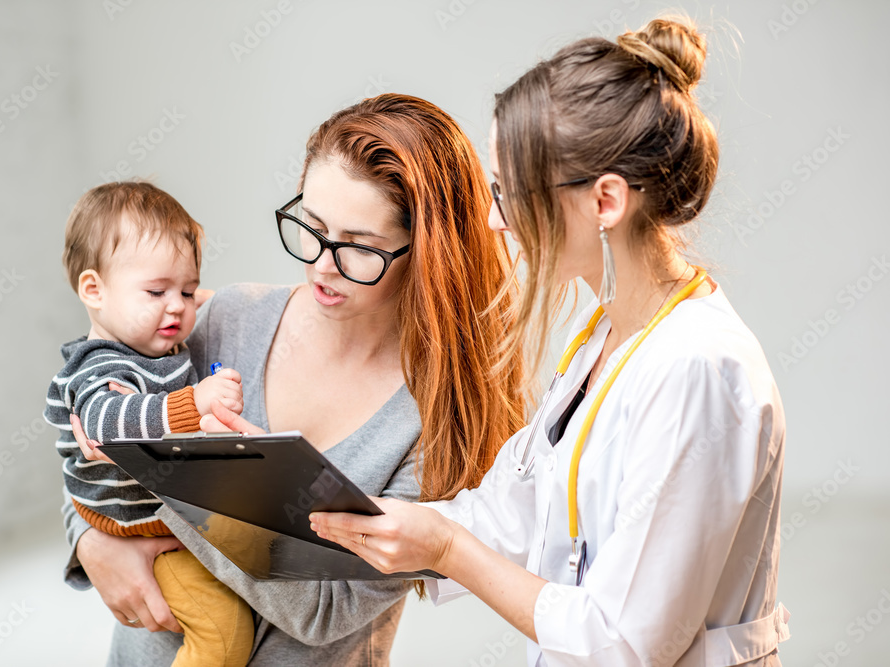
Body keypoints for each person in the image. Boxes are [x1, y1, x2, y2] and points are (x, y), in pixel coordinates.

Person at [311, 16, 791, 666]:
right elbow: (511, 511)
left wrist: (446, 550)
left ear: (606, 201)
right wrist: (343, 513)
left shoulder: (699, 369)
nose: (492, 219)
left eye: (509, 193)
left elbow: (623, 641)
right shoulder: (602, 338)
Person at [63, 94, 526, 666]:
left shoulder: (440, 421)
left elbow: (326, 612)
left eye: (359, 246)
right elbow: (89, 413)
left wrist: (181, 466)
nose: (321, 265)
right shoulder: (227, 316)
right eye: (311, 227)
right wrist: (89, 541)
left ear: (426, 250)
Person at [46, 181, 253, 667]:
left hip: (161, 515)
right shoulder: (99, 365)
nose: (178, 305)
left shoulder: (156, 346)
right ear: (93, 290)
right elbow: (108, 426)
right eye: (157, 291)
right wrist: (194, 403)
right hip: (135, 530)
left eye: (187, 289)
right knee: (224, 628)